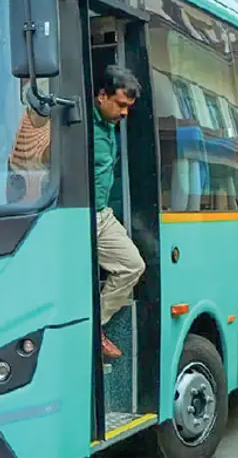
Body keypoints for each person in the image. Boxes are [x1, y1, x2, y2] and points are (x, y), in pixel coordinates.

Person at [94, 64, 147, 359]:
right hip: (78, 215)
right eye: (121, 105)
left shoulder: (109, 125)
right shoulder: (77, 125)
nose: (125, 113)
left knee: (132, 265)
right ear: (102, 95)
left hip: (102, 214)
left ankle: (95, 326)